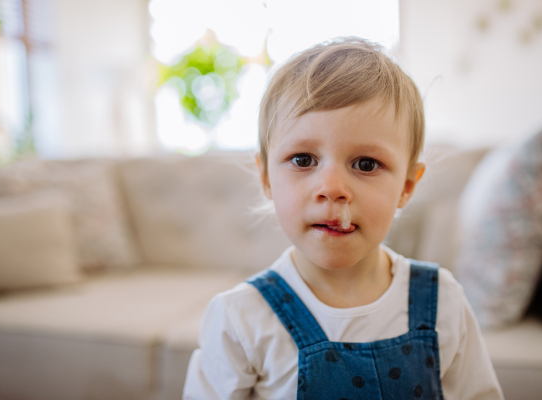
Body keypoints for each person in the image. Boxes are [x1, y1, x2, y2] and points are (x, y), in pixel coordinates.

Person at [183, 37, 504, 399]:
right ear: (266, 178)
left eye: (366, 164)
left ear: (407, 186)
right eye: (303, 159)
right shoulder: (241, 317)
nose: (332, 188)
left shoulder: (443, 301)